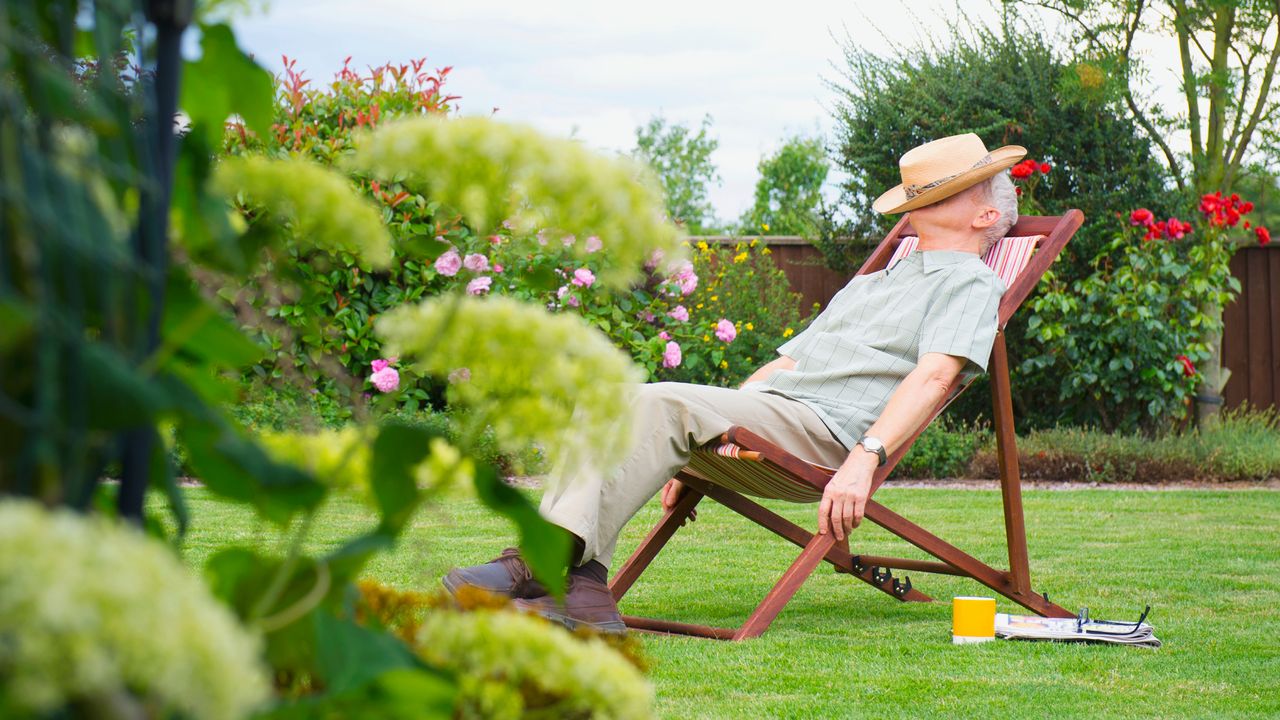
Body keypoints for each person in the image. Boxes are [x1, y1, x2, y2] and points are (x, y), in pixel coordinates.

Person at [442, 132, 1024, 633]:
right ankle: (586, 586)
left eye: (951, 188)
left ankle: (539, 566)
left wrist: (864, 459)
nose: (924, 199)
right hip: (780, 413)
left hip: (825, 434)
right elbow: (786, 366)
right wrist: (697, 441)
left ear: (985, 216)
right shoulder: (878, 281)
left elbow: (935, 377)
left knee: (657, 398)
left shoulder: (969, 283)